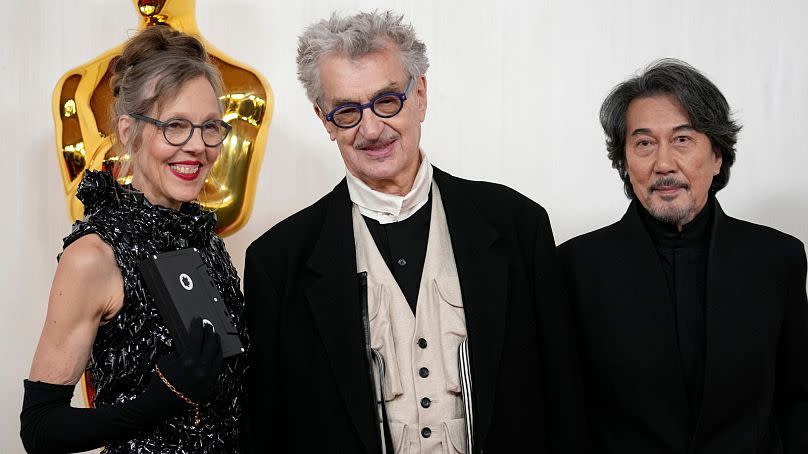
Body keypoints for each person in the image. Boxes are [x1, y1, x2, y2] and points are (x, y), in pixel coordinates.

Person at [244, 10, 587, 454]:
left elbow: (564, 403)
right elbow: (269, 432)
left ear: (420, 95)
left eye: (387, 101)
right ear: (324, 120)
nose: (371, 129)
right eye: (346, 111)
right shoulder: (277, 261)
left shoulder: (518, 225)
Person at [558, 58, 808, 453]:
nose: (663, 164)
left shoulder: (777, 259)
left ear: (717, 156)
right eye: (643, 143)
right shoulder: (574, 268)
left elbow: (798, 400)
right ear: (624, 163)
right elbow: (564, 417)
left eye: (682, 139)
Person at [20, 26, 249, 453]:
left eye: (210, 128)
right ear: (128, 131)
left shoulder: (203, 237)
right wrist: (160, 399)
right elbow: (39, 428)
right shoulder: (94, 255)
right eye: (175, 126)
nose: (198, 147)